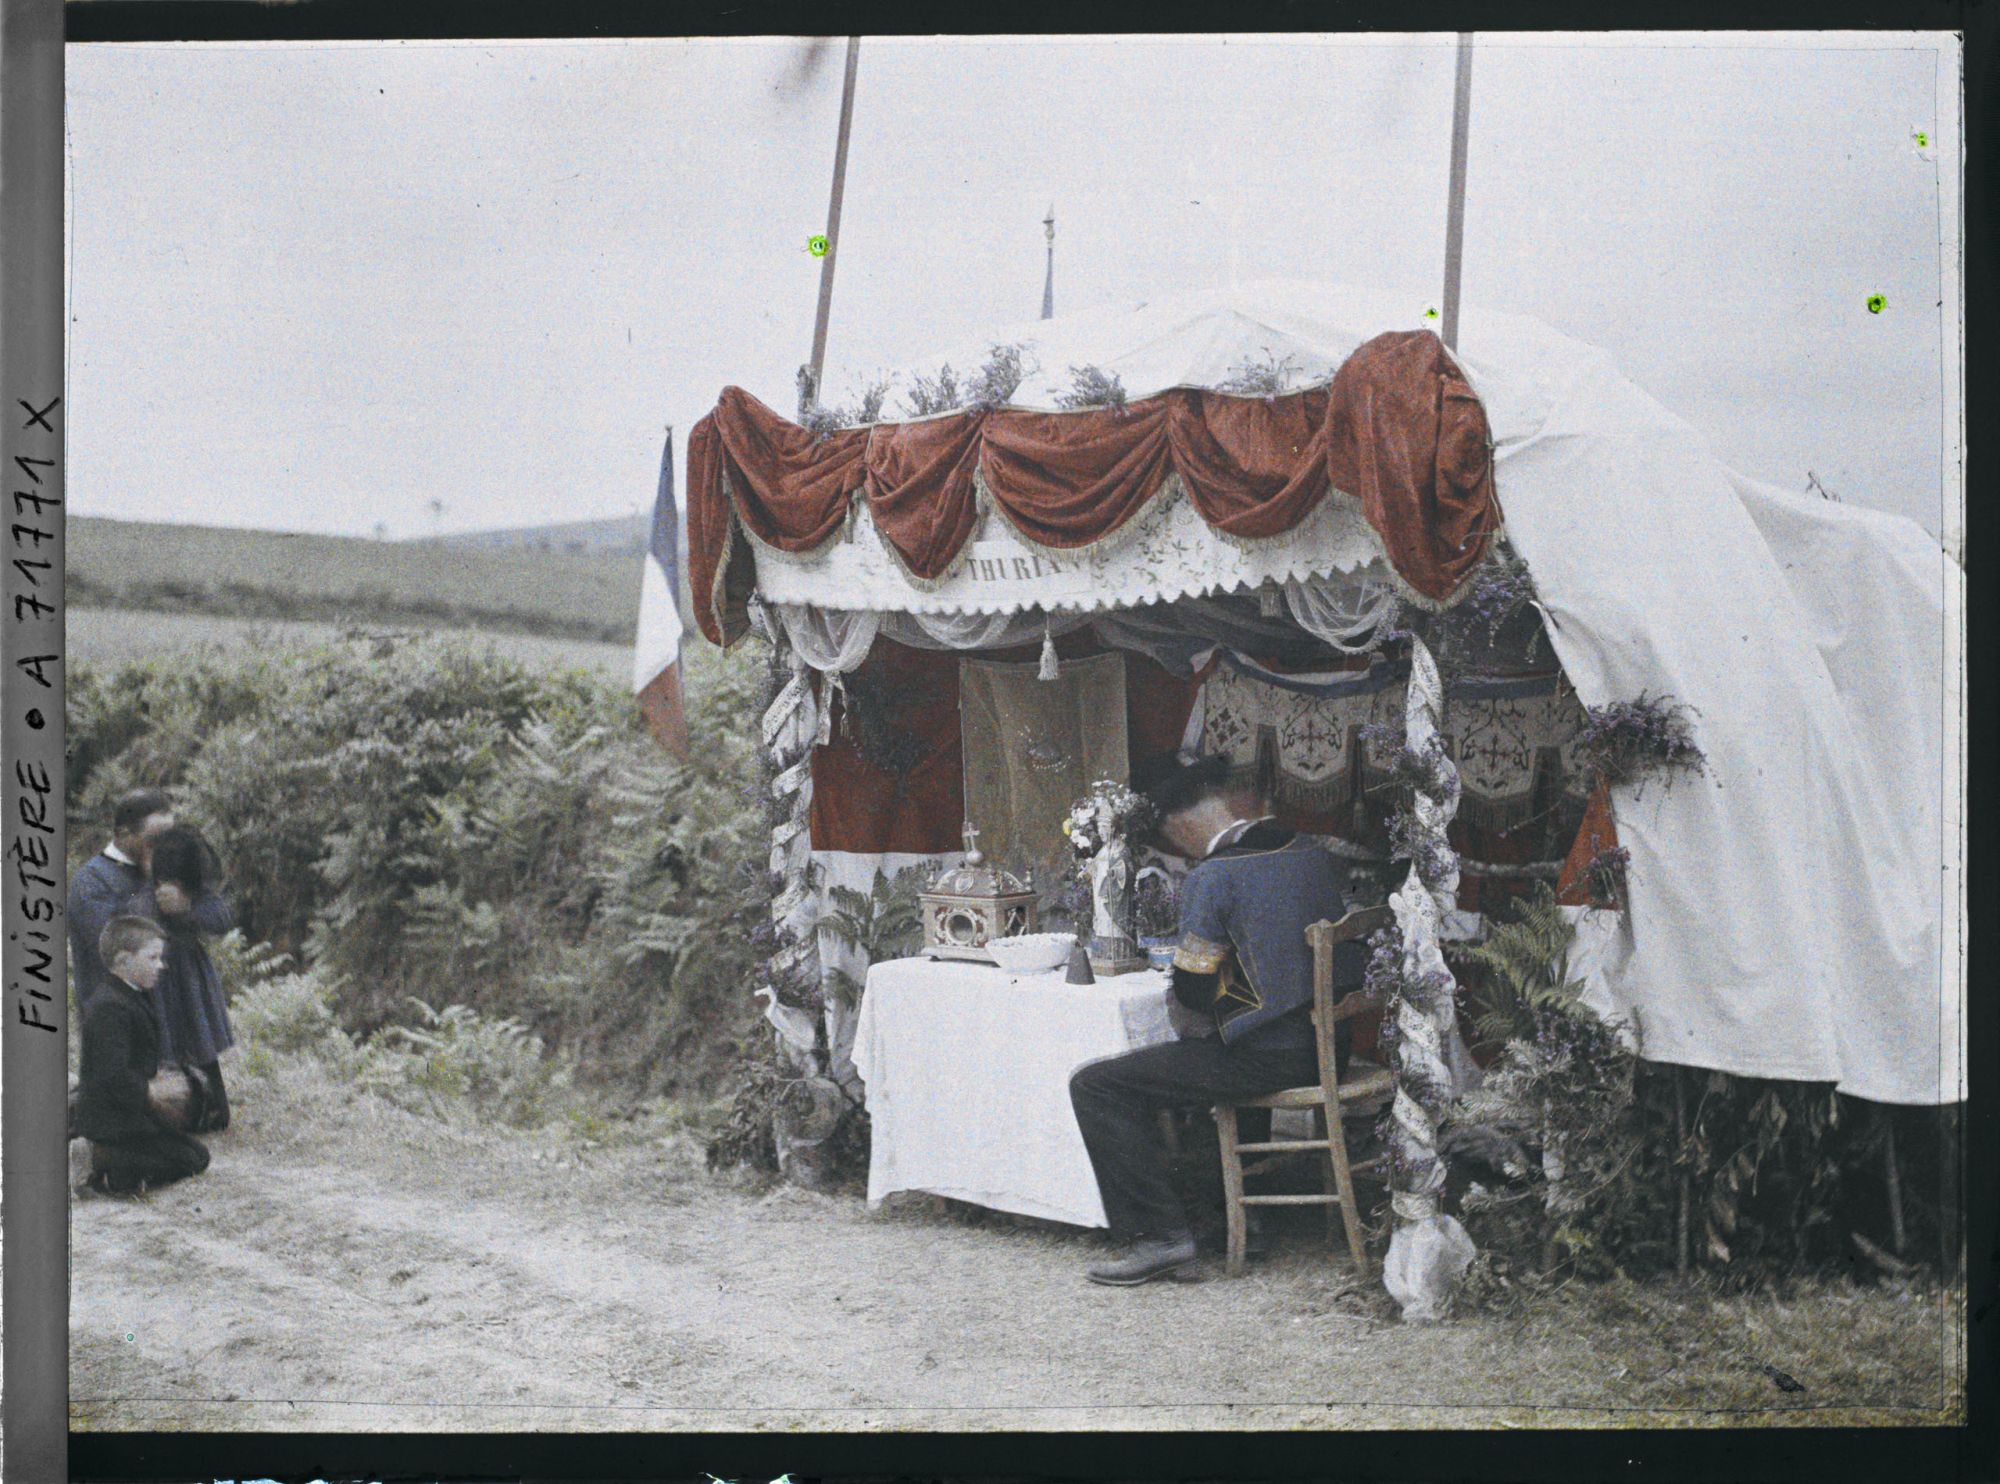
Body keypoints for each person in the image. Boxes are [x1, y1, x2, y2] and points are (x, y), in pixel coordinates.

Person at [1068, 753, 1364, 1286]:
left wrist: (1189, 977)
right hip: (1329, 1046)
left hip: (1274, 1059)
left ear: (1181, 823)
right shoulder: (1307, 851)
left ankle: (1159, 1237)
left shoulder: (1217, 875)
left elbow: (1193, 990)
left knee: (1097, 1084)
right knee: (1218, 1046)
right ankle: (1234, 1216)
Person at [74, 915, 211, 1195]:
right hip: (111, 1119)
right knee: (190, 1159)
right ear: (124, 961)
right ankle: (96, 1160)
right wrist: (152, 1091)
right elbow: (111, 1075)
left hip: (129, 1110)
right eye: (153, 958)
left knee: (196, 1153)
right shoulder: (109, 1007)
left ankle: (109, 1161)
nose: (161, 965)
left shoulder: (128, 994)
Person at [128, 824, 237, 1132]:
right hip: (157, 983)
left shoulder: (197, 892)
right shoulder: (144, 898)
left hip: (190, 980)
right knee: (163, 1053)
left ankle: (208, 1106)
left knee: (202, 1049)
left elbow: (222, 917)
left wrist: (188, 908)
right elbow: (132, 929)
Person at [68, 787, 175, 1015]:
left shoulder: (166, 873)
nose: (164, 850)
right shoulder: (90, 881)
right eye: (154, 841)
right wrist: (152, 880)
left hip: (163, 1018)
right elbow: (118, 947)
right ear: (124, 834)